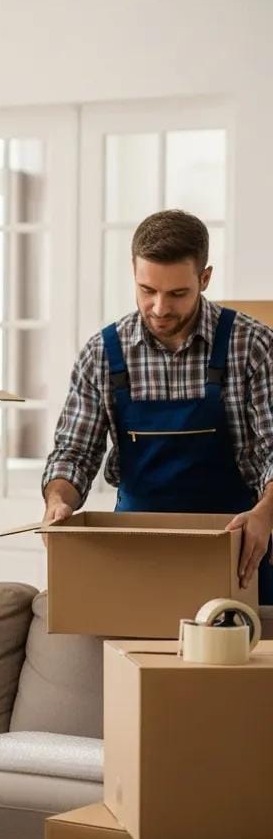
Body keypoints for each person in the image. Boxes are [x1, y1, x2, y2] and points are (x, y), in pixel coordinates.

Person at [42, 208, 273, 602]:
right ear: (133, 271)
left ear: (204, 278)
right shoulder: (102, 354)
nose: (160, 308)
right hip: (137, 555)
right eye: (147, 290)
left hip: (237, 552)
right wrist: (58, 501)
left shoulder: (252, 346)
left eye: (177, 293)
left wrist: (265, 513)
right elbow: (74, 454)